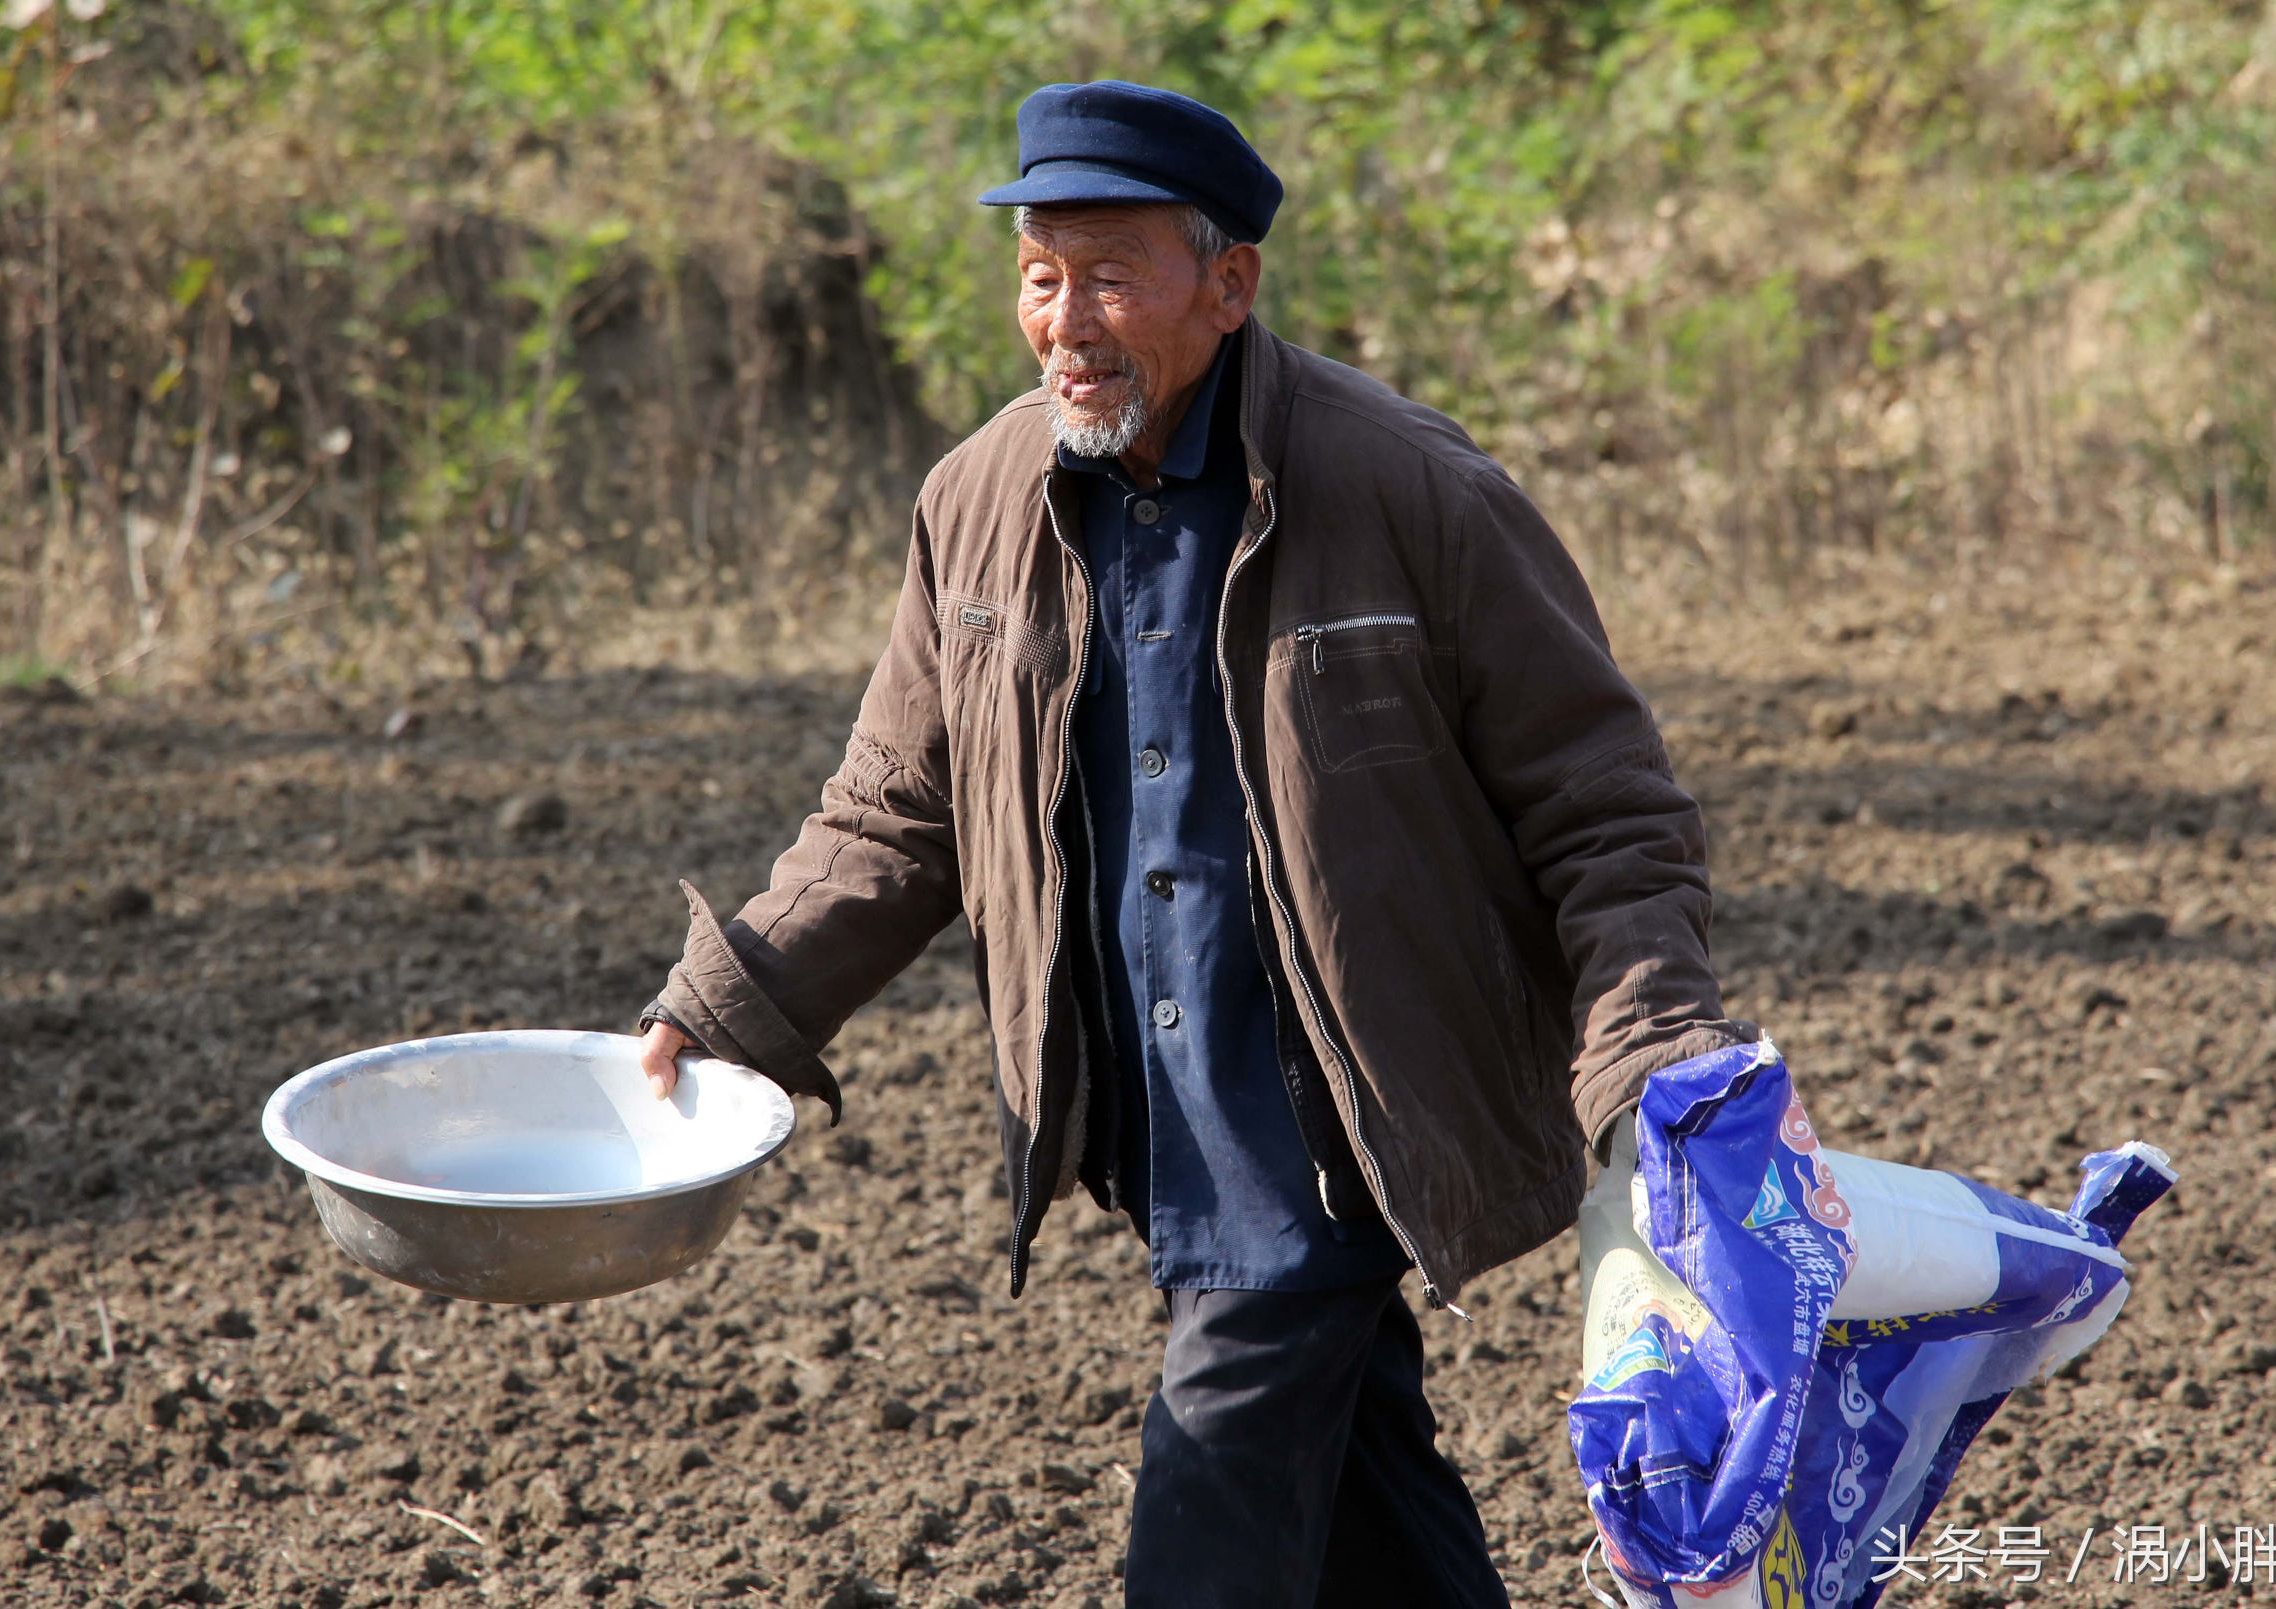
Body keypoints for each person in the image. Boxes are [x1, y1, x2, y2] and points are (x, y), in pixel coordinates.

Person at [636, 79, 1751, 1609]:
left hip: (1343, 1109)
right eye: (1039, 275)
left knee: (1209, 1508)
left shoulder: (1406, 487)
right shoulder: (974, 503)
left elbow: (1601, 793)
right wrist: (728, 1010)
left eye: (1109, 275)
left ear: (1227, 284)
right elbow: (897, 808)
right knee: (1367, 1503)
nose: (1064, 321)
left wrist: (1650, 1046)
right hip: (1156, 1118)